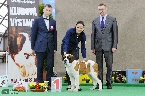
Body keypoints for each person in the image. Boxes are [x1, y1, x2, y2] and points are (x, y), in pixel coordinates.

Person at [91, 3, 118, 89]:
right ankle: (100, 83)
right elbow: (93, 35)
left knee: (109, 65)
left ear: (106, 9)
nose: (101, 11)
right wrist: (93, 47)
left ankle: (109, 82)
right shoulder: (95, 21)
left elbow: (115, 34)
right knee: (99, 66)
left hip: (109, 46)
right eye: (99, 9)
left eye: (102, 9)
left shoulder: (112, 20)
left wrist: (114, 46)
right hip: (98, 46)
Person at [31, 4, 57, 90]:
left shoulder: (53, 22)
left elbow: (54, 35)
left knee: (50, 66)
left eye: (49, 10)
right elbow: (33, 34)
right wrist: (32, 47)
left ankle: (49, 84)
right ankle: (40, 83)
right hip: (39, 46)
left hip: (50, 47)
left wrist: (55, 48)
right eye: (46, 10)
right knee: (40, 66)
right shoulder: (37, 20)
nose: (48, 12)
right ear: (43, 10)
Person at [61, 21, 86, 90]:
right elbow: (66, 41)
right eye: (78, 27)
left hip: (74, 48)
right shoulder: (70, 31)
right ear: (75, 26)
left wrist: (84, 57)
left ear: (83, 28)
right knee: (68, 66)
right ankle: (70, 84)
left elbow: (83, 47)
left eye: (81, 28)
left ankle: (77, 85)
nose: (79, 29)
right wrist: (65, 51)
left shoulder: (83, 35)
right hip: (66, 47)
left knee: (75, 66)